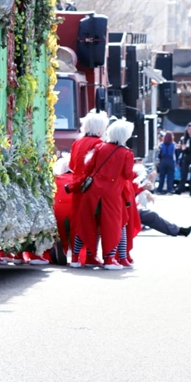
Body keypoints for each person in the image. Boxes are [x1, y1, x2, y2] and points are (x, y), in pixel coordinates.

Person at [69, 119, 136, 270]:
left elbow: (89, 166)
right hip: (112, 193)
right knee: (113, 226)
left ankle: (75, 257)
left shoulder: (100, 147)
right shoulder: (127, 153)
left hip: (93, 190)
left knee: (85, 223)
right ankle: (110, 258)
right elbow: (127, 174)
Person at [67, 110, 109, 266]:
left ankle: (76, 256)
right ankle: (91, 254)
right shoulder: (99, 144)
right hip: (91, 186)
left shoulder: (77, 142)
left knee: (78, 220)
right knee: (93, 222)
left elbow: (71, 165)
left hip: (76, 184)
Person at [175, 122, 191, 195]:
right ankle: (180, 189)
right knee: (183, 174)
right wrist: (180, 147)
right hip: (185, 156)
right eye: (188, 129)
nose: (190, 130)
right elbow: (180, 147)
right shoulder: (183, 138)